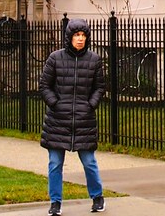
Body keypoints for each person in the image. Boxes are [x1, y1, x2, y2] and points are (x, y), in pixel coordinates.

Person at [39, 18, 106, 215]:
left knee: (89, 162)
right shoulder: (55, 58)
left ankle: (97, 197)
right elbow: (44, 86)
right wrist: (55, 103)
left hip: (84, 121)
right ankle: (55, 202)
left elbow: (99, 87)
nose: (80, 39)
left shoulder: (94, 60)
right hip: (57, 121)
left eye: (83, 35)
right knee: (55, 164)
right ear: (69, 37)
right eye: (76, 35)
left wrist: (90, 105)